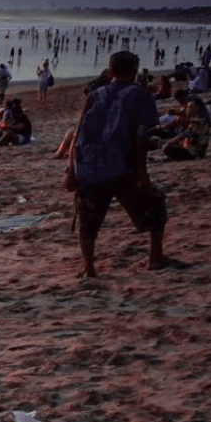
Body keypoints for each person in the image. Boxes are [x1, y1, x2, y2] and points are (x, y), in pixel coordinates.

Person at [69, 51, 170, 277]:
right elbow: (141, 134)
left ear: (111, 71)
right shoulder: (140, 95)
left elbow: (79, 133)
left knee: (88, 219)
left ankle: (89, 268)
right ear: (135, 71)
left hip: (90, 166)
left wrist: (71, 170)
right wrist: (142, 171)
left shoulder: (96, 94)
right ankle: (155, 257)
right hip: (124, 165)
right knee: (156, 208)